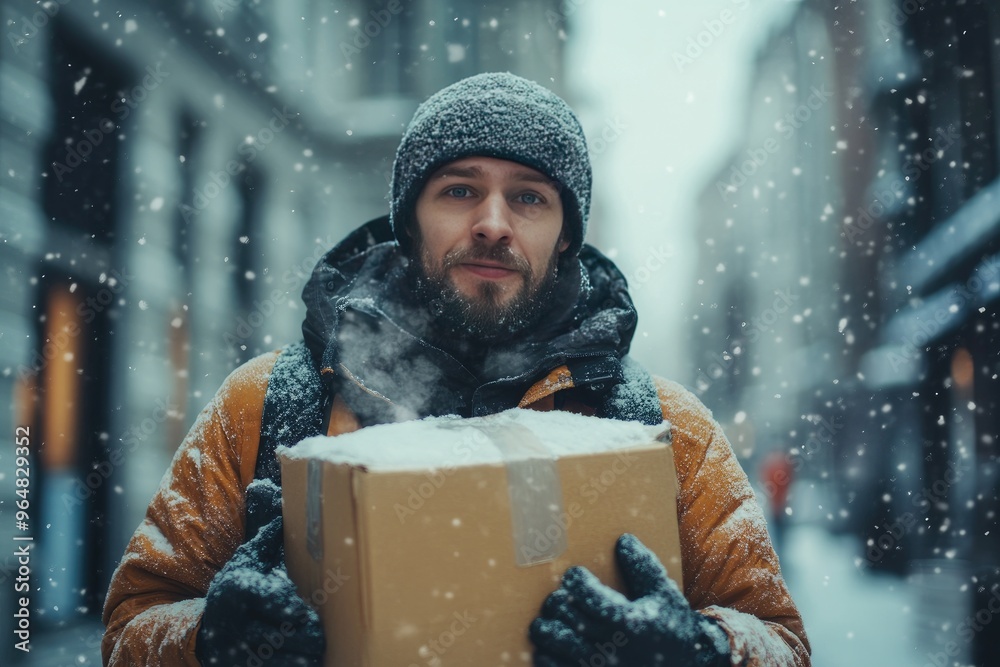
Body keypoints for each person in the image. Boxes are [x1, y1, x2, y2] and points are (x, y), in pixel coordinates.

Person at [101, 72, 811, 667]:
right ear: (411, 222)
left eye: (529, 196)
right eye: (460, 189)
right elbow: (131, 623)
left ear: (565, 238)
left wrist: (701, 650)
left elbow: (781, 640)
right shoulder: (265, 404)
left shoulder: (661, 426)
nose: (494, 223)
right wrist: (209, 639)